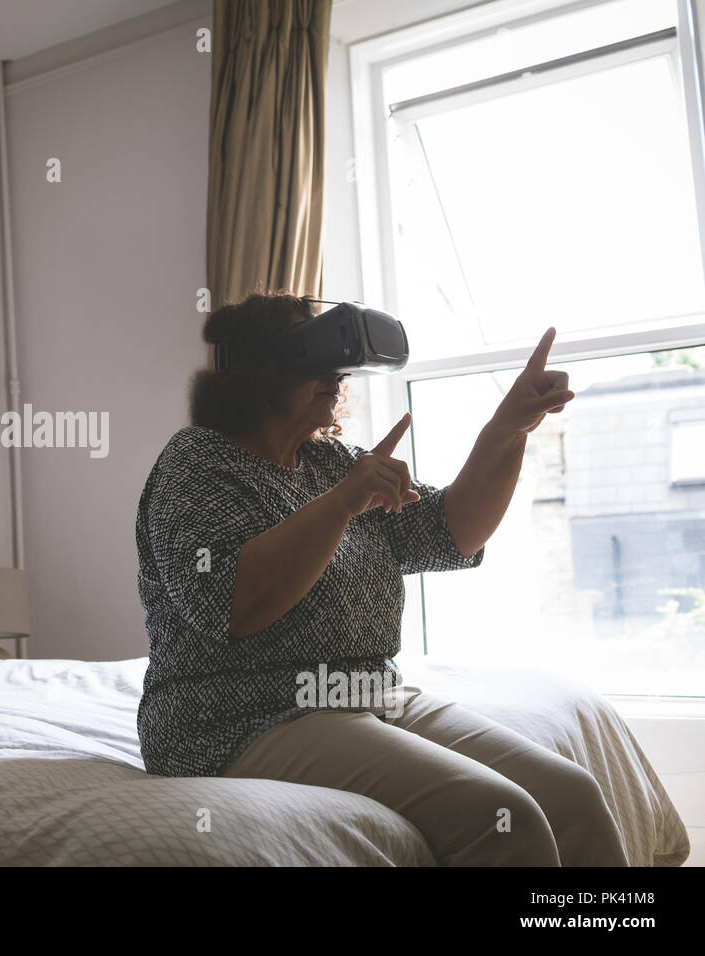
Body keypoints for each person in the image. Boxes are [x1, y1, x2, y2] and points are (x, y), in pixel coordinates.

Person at [134, 291, 627, 866]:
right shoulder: (197, 463)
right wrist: (344, 503)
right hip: (240, 718)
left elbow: (452, 532)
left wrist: (509, 426)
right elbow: (230, 603)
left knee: (572, 796)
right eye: (314, 359)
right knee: (501, 817)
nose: (336, 376)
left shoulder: (332, 462)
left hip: (368, 695)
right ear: (257, 371)